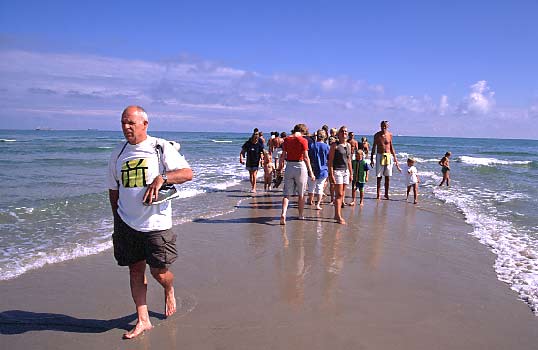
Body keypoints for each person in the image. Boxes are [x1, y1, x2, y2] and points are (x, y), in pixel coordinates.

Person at [108, 106, 193, 339]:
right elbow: (113, 189)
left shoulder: (159, 147)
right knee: (135, 271)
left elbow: (187, 173)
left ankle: (169, 289)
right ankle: (143, 320)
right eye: (123, 122)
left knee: (159, 272)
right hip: (126, 223)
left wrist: (162, 178)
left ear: (145, 124)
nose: (126, 127)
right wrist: (117, 219)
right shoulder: (118, 153)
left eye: (131, 123)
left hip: (156, 224)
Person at [279, 124, 315, 225]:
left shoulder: (286, 140)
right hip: (300, 166)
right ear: (302, 131)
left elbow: (283, 155)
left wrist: (279, 168)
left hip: (289, 165)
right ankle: (300, 214)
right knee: (301, 193)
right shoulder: (303, 140)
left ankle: (283, 213)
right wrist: (311, 172)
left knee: (286, 193)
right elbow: (306, 157)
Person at [370, 120, 401, 200]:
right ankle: (378, 194)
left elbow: (391, 147)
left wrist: (395, 160)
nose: (384, 127)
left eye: (385, 126)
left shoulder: (390, 135)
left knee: (387, 176)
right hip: (380, 155)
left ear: (388, 126)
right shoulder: (377, 135)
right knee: (379, 176)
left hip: (388, 155)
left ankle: (386, 194)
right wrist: (371, 159)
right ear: (380, 126)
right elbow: (374, 147)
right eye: (382, 126)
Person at [328, 126, 353, 224]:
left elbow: (349, 160)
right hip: (337, 171)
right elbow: (330, 160)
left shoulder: (348, 145)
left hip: (345, 171)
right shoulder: (335, 145)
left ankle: (336, 214)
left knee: (342, 194)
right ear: (338, 133)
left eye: (346, 131)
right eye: (342, 131)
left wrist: (351, 173)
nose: (344, 133)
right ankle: (338, 216)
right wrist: (331, 174)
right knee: (339, 194)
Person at [307, 129, 330, 210]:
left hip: (312, 168)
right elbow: (329, 158)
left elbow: (308, 157)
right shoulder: (327, 147)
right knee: (320, 187)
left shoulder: (312, 145)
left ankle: (310, 200)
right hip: (323, 169)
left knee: (311, 186)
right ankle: (318, 204)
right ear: (324, 137)